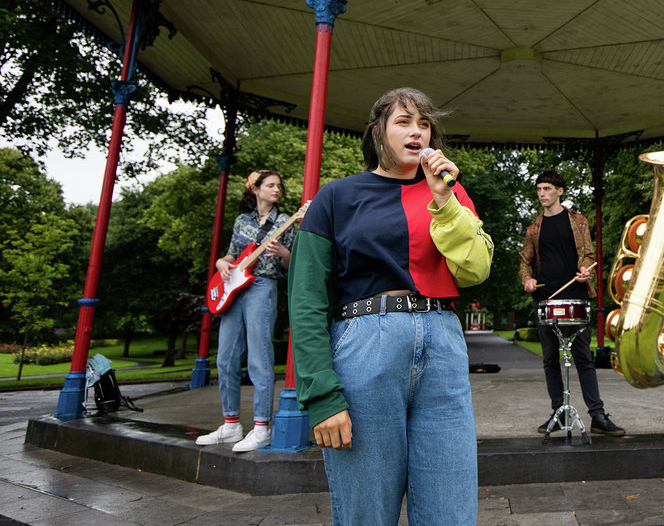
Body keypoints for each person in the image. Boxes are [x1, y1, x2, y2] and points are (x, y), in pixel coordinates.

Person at [289, 87, 493, 526]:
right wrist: (321, 395)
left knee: (451, 510)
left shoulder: (452, 195)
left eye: (425, 124)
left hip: (443, 343)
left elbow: (475, 271)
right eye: (404, 121)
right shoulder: (335, 197)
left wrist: (444, 200)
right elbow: (305, 300)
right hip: (365, 343)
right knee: (367, 512)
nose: (417, 131)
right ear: (378, 131)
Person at [519, 170, 625, 437]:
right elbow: (525, 261)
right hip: (544, 298)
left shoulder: (578, 221)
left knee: (583, 358)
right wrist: (527, 279)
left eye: (547, 188)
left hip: (574, 295)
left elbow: (588, 255)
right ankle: (560, 412)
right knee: (550, 359)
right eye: (539, 189)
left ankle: (597, 415)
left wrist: (586, 269)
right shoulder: (534, 228)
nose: (542, 193)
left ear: (560, 191)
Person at [195, 169, 295, 452]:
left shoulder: (286, 221)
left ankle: (261, 427)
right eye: (270, 185)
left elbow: (292, 265)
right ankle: (231, 424)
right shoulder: (242, 220)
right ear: (256, 189)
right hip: (232, 288)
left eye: (279, 185)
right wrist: (220, 263)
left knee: (259, 358)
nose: (276, 189)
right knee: (225, 357)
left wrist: (284, 255)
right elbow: (232, 254)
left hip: (263, 287)